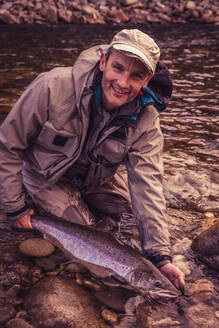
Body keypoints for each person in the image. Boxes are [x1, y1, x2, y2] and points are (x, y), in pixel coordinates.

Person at [0, 29, 185, 289]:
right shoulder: (52, 87)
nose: (122, 82)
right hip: (44, 176)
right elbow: (7, 145)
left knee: (131, 223)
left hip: (93, 179)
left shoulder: (147, 121)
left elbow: (147, 186)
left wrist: (160, 256)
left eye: (136, 75)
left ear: (147, 80)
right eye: (117, 68)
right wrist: (15, 207)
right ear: (103, 62)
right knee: (94, 253)